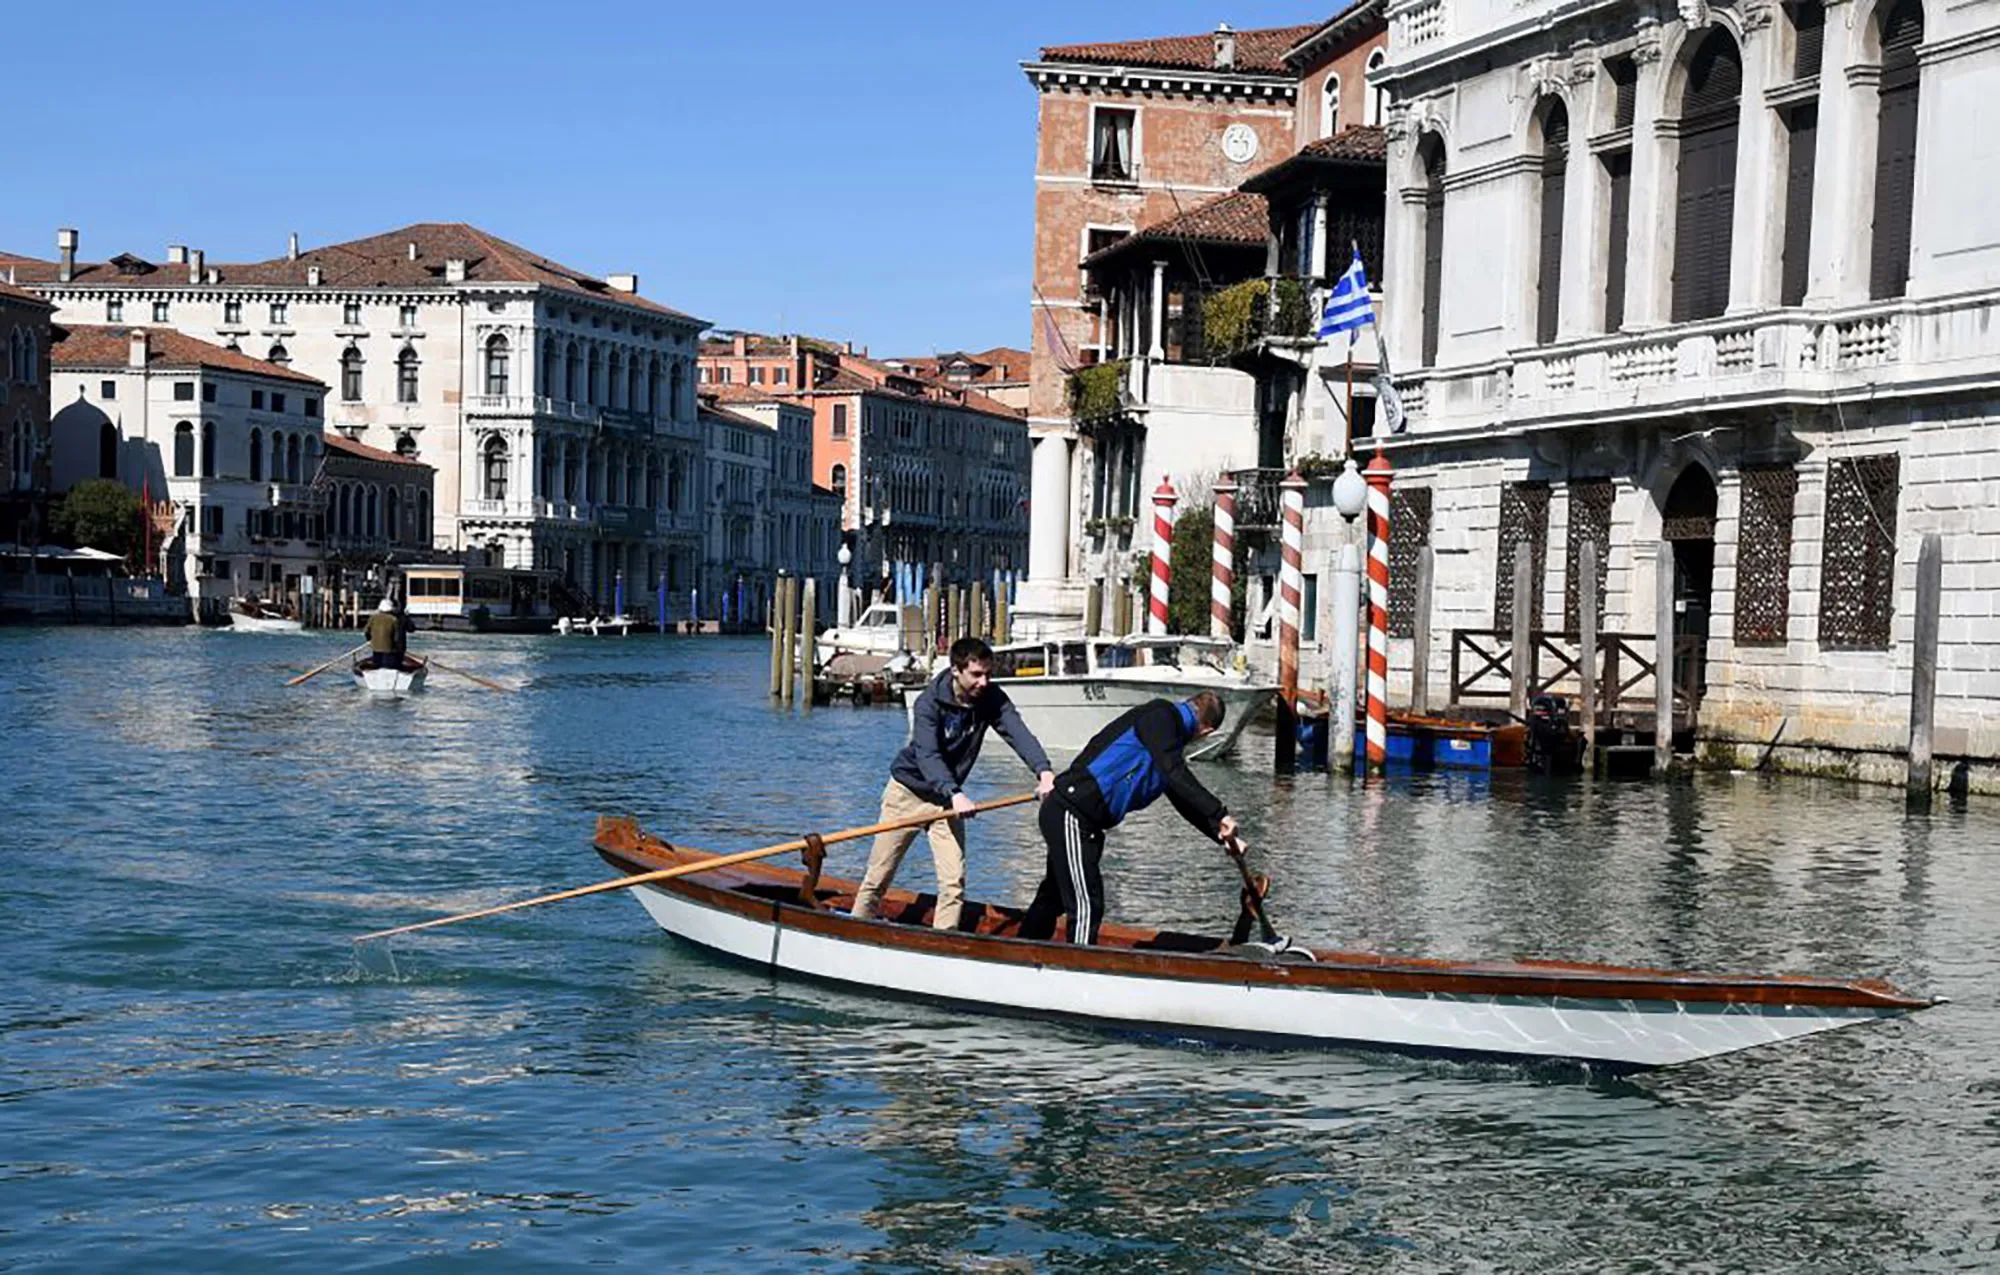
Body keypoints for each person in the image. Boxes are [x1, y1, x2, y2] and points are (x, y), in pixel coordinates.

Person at [850, 635, 1056, 931]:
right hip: (907, 794)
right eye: (976, 674)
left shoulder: (991, 699)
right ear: (956, 670)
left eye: (987, 673)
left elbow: (1018, 733)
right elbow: (928, 755)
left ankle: (944, 943)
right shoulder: (928, 703)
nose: (983, 681)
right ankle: (856, 930)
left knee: (953, 883)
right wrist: (954, 792)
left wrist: (1044, 771)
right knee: (878, 876)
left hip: (946, 802)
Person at [1020, 690, 1241, 946]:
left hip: (1083, 821)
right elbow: (1175, 773)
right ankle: (1076, 970)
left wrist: (1219, 833)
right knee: (1087, 905)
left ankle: (1020, 953)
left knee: (1054, 896)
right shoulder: (1162, 716)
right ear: (1206, 732)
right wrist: (1220, 812)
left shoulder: (1167, 744)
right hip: (1071, 813)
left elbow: (1182, 798)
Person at [364, 596, 408, 670]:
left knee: (377, 666)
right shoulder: (393, 619)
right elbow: (396, 637)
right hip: (389, 650)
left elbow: (366, 632)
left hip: (375, 649)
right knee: (389, 667)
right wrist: (398, 649)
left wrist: (369, 640)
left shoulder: (373, 618)